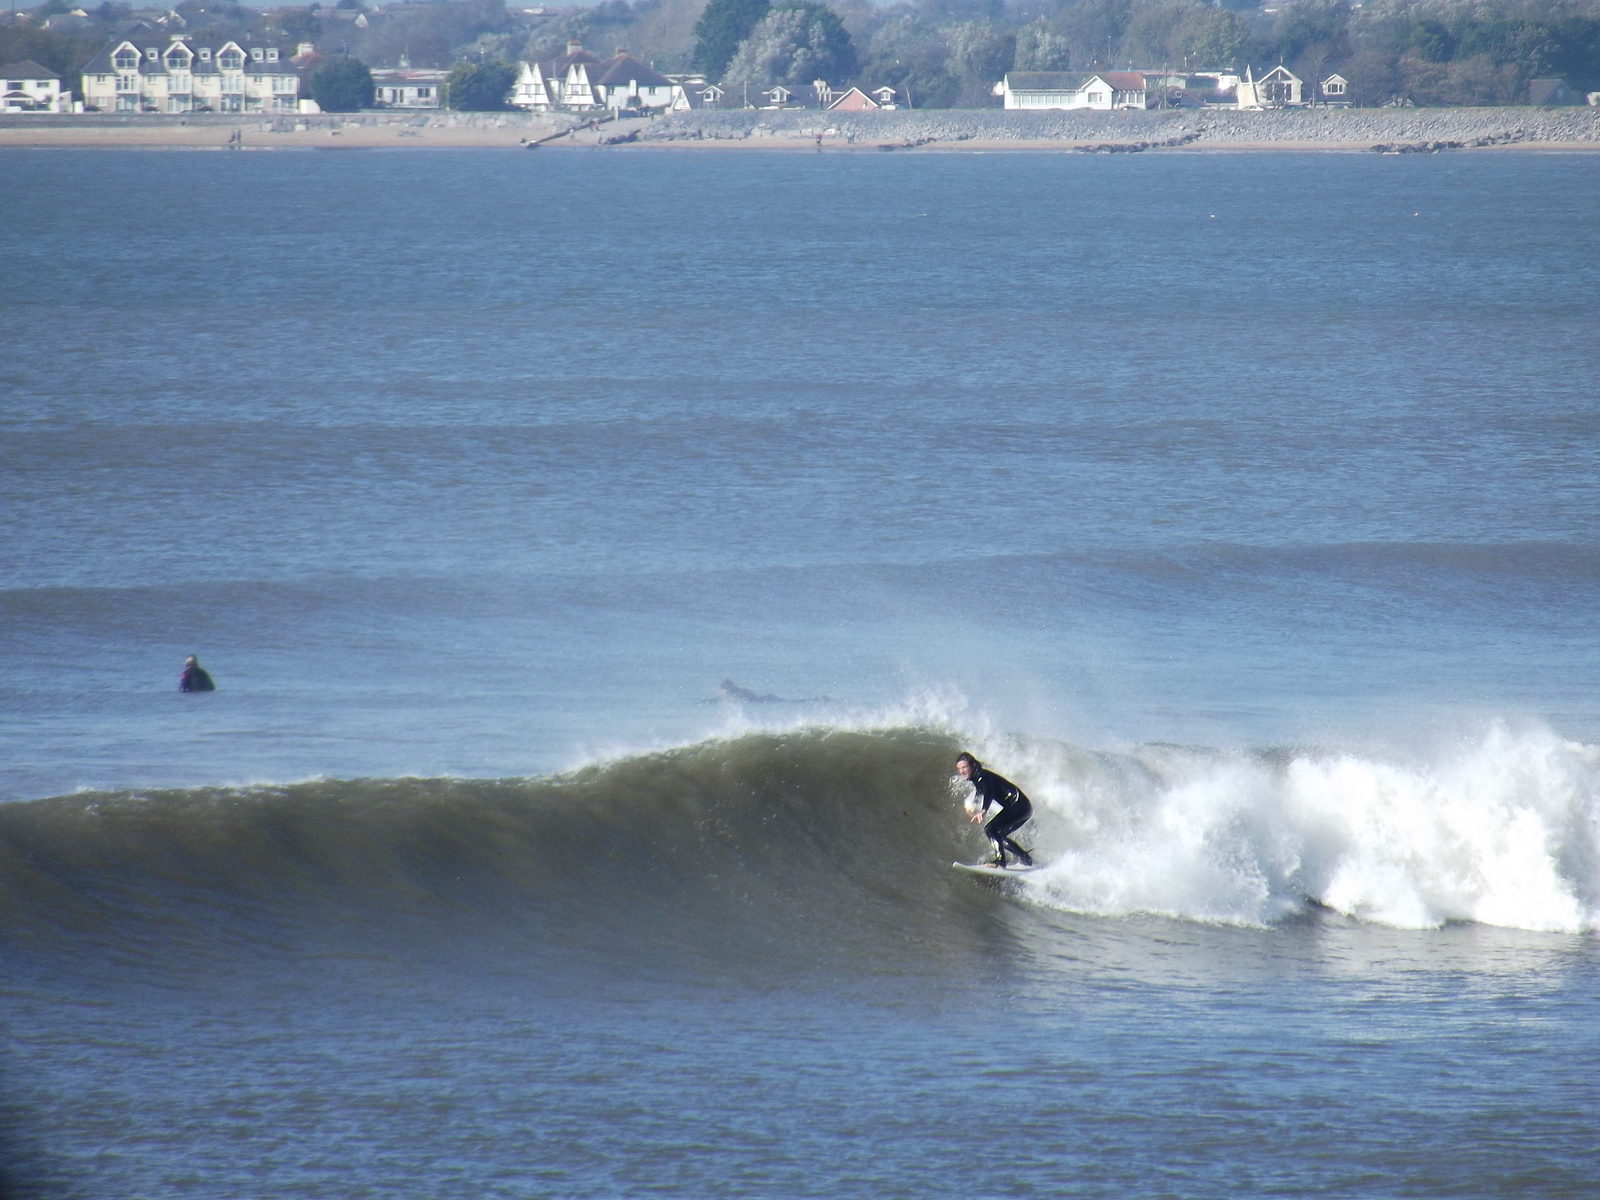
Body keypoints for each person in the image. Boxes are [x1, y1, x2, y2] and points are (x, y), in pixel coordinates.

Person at [956, 751, 1032, 868]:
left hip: (1019, 805)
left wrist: (983, 810)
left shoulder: (982, 776)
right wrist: (973, 807)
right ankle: (1026, 858)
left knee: (990, 829)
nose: (962, 771)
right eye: (959, 768)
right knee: (998, 834)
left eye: (964, 767)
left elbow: (988, 792)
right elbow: (980, 793)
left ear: (973, 765)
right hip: (1023, 807)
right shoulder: (978, 778)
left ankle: (1000, 861)